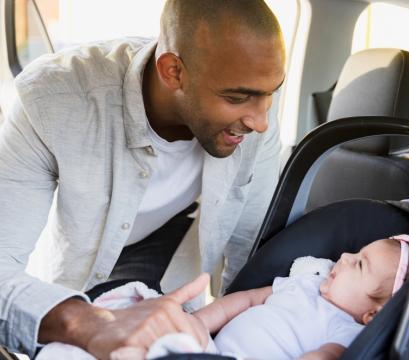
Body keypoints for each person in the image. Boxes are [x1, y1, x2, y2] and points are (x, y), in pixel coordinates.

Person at [0, 0, 286, 359]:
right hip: (80, 274)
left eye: (270, 94)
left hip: (176, 267)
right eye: (236, 98)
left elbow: (249, 255)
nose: (260, 121)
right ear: (173, 72)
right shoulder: (53, 101)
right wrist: (85, 323)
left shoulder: (255, 109)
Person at [106, 235, 409, 360]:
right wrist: (196, 321)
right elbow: (246, 301)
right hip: (208, 348)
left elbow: (323, 357)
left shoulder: (346, 331)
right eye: (356, 252)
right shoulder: (305, 284)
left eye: (360, 263)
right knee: (151, 323)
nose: (346, 256)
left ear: (373, 315)